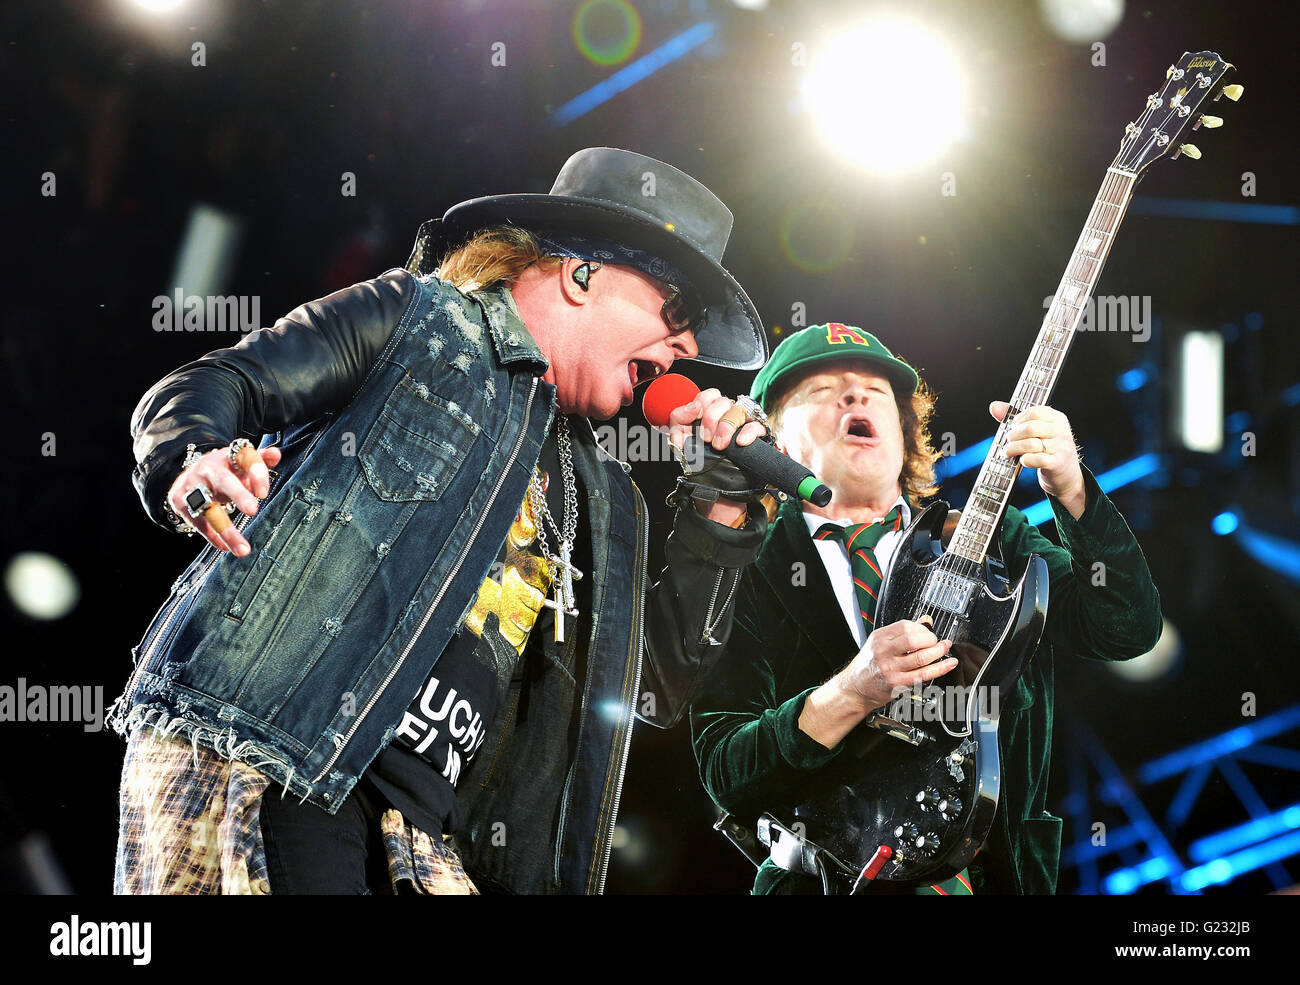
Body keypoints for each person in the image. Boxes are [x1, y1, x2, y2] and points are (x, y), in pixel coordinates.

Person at [109, 147, 776, 895]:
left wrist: (721, 507)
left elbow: (649, 682)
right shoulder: (423, 320)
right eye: (675, 312)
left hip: (425, 829)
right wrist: (195, 458)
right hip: (282, 746)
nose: (686, 348)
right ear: (582, 275)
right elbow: (220, 381)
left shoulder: (610, 493)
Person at [689, 322, 1162, 894]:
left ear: (904, 429)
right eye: (821, 390)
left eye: (877, 390)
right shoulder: (743, 569)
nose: (856, 395)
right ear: (775, 444)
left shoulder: (993, 541)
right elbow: (726, 771)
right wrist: (853, 689)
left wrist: (1071, 488)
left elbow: (1125, 628)